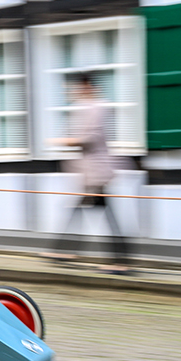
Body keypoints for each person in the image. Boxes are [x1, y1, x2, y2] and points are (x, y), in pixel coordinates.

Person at [45, 73, 131, 274]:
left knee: (107, 215)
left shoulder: (97, 107)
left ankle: (120, 261)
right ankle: (66, 250)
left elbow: (89, 137)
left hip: (97, 171)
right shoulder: (88, 107)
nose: (72, 91)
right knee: (81, 209)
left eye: (75, 87)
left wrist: (63, 141)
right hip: (90, 172)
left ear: (86, 86)